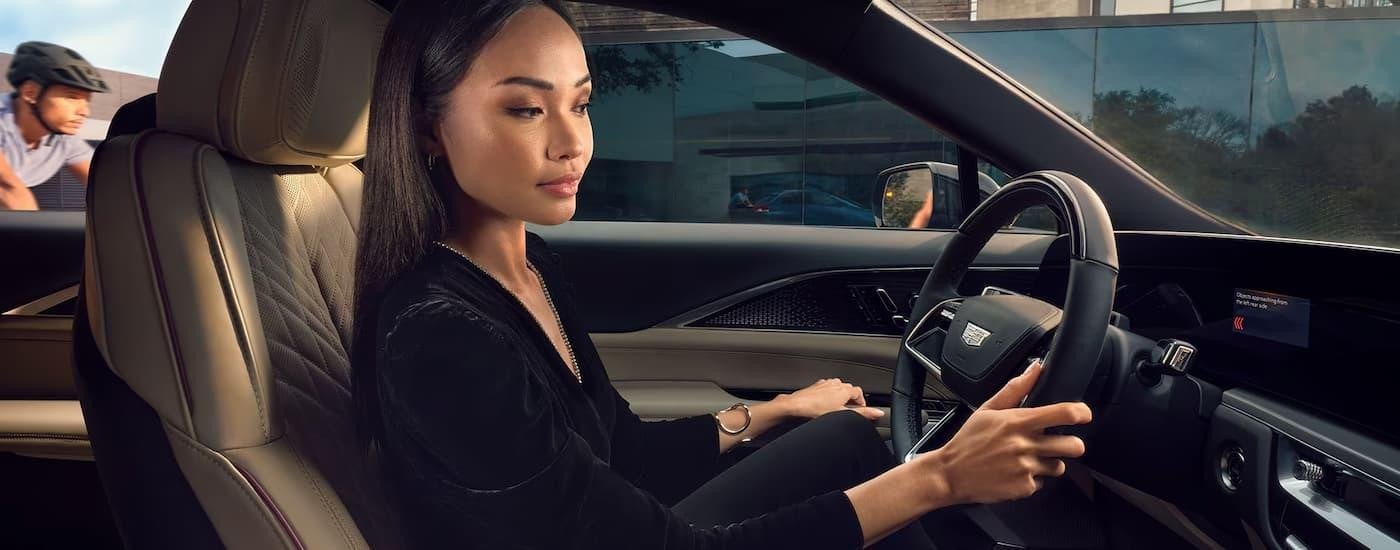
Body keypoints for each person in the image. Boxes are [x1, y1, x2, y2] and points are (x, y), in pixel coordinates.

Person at [350, 1, 1091, 548]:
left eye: (580, 103)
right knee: (892, 474)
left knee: (844, 439)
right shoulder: (439, 336)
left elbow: (621, 454)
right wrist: (942, 477)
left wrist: (774, 411)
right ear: (426, 129)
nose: (573, 142)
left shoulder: (525, 264)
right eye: (524, 109)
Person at [0, 41, 109, 210]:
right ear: (31, 93)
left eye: (87, 101)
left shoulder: (65, 138)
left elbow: (106, 186)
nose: (84, 112)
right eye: (72, 97)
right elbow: (10, 190)